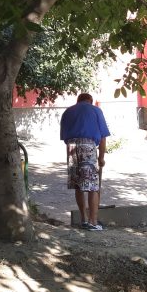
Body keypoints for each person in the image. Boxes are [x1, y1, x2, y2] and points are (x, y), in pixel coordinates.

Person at [60, 92, 110, 231]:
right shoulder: (96, 110)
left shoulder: (68, 112)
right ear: (90, 101)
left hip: (71, 148)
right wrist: (101, 158)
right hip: (88, 146)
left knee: (78, 185)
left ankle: (83, 219)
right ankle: (93, 222)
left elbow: (64, 136)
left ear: (78, 101)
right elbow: (103, 137)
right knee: (93, 186)